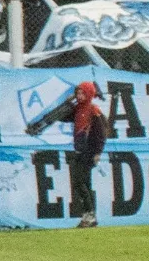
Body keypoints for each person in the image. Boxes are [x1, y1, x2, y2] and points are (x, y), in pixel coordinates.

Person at [25, 80, 108, 228]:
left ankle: (89, 214)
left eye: (83, 93)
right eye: (78, 93)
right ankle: (89, 216)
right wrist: (68, 103)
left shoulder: (94, 110)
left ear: (89, 94)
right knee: (85, 183)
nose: (80, 95)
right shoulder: (78, 109)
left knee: (78, 181)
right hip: (79, 150)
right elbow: (62, 116)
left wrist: (97, 152)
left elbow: (101, 133)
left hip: (88, 151)